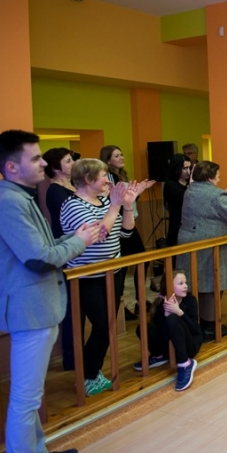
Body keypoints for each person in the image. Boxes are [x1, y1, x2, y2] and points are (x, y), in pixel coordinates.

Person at [0, 130, 100, 453]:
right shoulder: (10, 204)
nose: (42, 164)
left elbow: (43, 248)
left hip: (37, 308)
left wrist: (74, 238)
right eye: (35, 158)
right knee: (26, 398)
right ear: (11, 167)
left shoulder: (22, 197)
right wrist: (79, 242)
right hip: (29, 311)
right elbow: (40, 258)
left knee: (30, 395)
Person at [60, 158, 140, 397]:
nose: (108, 180)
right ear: (87, 179)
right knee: (102, 324)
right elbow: (99, 235)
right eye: (104, 175)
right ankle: (86, 375)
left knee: (109, 324)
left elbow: (126, 233)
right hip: (86, 276)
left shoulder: (106, 201)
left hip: (112, 272)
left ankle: (91, 373)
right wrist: (115, 206)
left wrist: (127, 206)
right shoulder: (72, 205)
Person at [176, 161, 227, 340]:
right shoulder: (216, 194)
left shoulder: (190, 190)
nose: (219, 179)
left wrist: (225, 195)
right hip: (211, 246)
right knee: (212, 285)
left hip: (190, 242)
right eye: (218, 176)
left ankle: (195, 322)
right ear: (209, 177)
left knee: (195, 284)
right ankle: (209, 325)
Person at [99, 145, 155, 319]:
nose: (121, 157)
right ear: (108, 160)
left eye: (121, 154)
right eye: (117, 156)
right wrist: (138, 191)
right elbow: (116, 200)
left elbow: (129, 200)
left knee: (141, 261)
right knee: (123, 266)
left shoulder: (122, 175)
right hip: (118, 225)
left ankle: (140, 301)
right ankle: (120, 305)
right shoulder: (109, 178)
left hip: (129, 221)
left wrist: (138, 191)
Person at [42, 147, 81, 371]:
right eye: (68, 161)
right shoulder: (55, 191)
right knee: (72, 307)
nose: (73, 163)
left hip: (79, 248)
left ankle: (79, 354)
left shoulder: (72, 186)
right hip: (66, 250)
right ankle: (71, 356)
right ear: (56, 168)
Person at [134, 271, 202, 391]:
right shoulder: (161, 303)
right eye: (181, 283)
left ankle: (185, 364)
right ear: (169, 286)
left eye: (185, 282)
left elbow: (195, 329)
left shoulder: (190, 300)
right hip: (169, 345)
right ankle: (159, 356)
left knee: (173, 319)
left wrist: (179, 312)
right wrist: (166, 314)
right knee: (143, 328)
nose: (186, 286)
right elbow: (164, 334)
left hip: (189, 346)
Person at [164, 154, 192, 248]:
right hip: (178, 225)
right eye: (185, 168)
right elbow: (186, 198)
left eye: (189, 168)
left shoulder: (189, 183)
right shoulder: (171, 185)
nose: (188, 171)